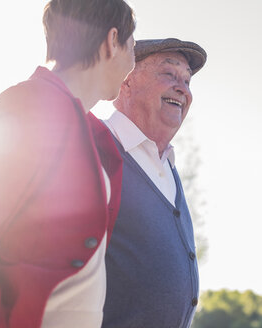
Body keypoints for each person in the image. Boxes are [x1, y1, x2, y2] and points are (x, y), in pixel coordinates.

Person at [0, 1, 135, 327]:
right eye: (132, 47)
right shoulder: (33, 106)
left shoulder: (94, 136)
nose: (132, 63)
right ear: (113, 41)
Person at [101, 38, 207, 328]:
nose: (182, 88)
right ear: (127, 80)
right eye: (169, 74)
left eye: (187, 81)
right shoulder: (95, 149)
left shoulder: (169, 169)